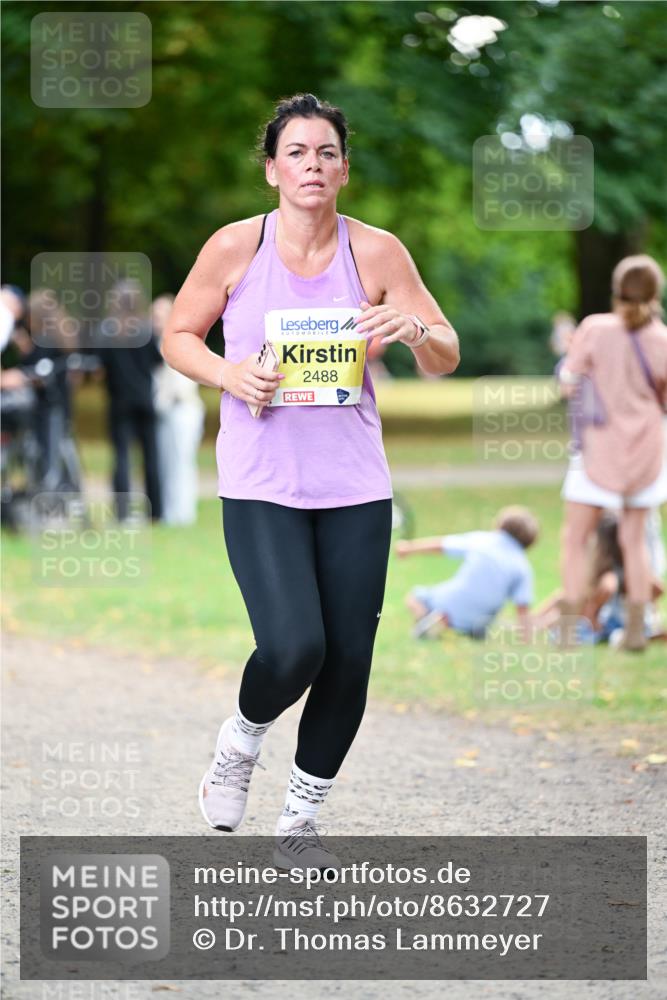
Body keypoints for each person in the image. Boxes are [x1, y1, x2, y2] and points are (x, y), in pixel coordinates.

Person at [161, 93, 459, 866]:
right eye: (296, 152)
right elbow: (178, 336)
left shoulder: (379, 252)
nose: (312, 165)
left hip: (355, 486)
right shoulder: (233, 247)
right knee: (294, 646)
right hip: (261, 480)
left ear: (344, 171)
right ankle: (241, 739)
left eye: (326, 153)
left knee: (349, 661)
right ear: (272, 170)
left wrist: (415, 329)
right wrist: (231, 374)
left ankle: (298, 819)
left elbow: (445, 350)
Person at [557, 255, 667, 651]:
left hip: (596, 452)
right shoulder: (663, 338)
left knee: (575, 539)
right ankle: (636, 631)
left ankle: (568, 630)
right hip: (646, 453)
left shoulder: (595, 329)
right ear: (655, 293)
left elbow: (569, 380)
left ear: (616, 290)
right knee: (635, 541)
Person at [396, 506, 538, 641]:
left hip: (449, 605)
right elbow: (522, 608)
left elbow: (442, 545)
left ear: (501, 525)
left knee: (415, 596)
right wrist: (526, 637)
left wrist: (409, 548)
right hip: (480, 621)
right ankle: (466, 629)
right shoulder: (522, 566)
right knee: (489, 620)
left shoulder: (483, 540)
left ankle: (430, 621)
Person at [96, 279, 163, 522]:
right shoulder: (146, 329)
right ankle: (156, 511)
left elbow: (99, 365)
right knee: (151, 457)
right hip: (145, 399)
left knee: (122, 457)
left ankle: (122, 513)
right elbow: (157, 361)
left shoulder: (108, 331)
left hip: (119, 401)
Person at [152, 295, 205, 525]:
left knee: (183, 460)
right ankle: (170, 511)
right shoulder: (155, 345)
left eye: (160, 316)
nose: (156, 321)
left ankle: (183, 513)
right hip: (164, 410)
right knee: (166, 462)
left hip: (184, 407)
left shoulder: (182, 341)